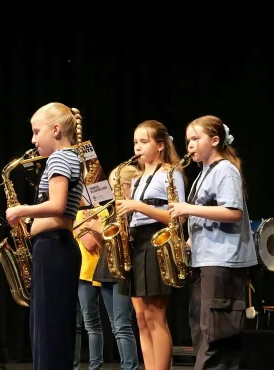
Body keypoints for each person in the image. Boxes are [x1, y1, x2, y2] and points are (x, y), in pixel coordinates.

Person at [168, 116, 257, 370]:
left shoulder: (225, 170)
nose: (190, 145)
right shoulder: (205, 173)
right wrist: (188, 239)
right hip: (205, 259)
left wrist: (188, 208)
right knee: (202, 329)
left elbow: (233, 212)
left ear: (215, 140)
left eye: (196, 139)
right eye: (188, 140)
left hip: (222, 261)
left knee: (215, 334)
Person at [4, 102, 84, 370]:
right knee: (49, 327)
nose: (33, 139)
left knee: (49, 329)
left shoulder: (60, 157)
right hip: (53, 247)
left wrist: (21, 210)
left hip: (54, 247)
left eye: (37, 132)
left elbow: (58, 204)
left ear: (57, 129)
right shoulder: (69, 157)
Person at [115, 120, 184, 370]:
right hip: (136, 244)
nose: (138, 147)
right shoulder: (136, 178)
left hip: (157, 243)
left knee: (156, 318)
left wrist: (139, 207)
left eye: (144, 142)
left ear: (161, 146)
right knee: (141, 319)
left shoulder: (171, 173)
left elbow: (178, 217)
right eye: (135, 142)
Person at [90, 165, 139, 370]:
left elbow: (127, 242)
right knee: (115, 326)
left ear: (129, 186)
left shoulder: (133, 210)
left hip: (122, 273)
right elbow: (106, 244)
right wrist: (95, 232)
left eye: (116, 187)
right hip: (106, 269)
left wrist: (100, 229)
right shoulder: (114, 209)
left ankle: (130, 367)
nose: (113, 192)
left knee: (122, 325)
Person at [72, 206, 110, 370]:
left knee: (91, 324)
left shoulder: (101, 210)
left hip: (88, 273)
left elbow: (89, 244)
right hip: (72, 272)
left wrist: (77, 223)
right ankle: (73, 365)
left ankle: (95, 367)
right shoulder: (74, 210)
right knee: (74, 325)